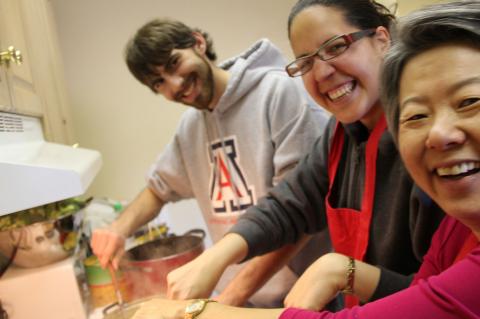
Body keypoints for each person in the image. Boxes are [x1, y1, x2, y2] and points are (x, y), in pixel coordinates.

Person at [130, 1, 480, 318]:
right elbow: (291, 204)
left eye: (336, 46)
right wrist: (215, 258)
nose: (439, 135)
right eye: (306, 62)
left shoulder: (430, 161)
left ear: (382, 40)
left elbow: (436, 302)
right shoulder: (341, 133)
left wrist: (195, 313)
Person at [90, 18, 330, 307]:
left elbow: (300, 212)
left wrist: (229, 300)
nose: (175, 84)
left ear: (198, 43)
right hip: (242, 301)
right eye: (159, 83)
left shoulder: (279, 92)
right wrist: (118, 229)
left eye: (173, 63)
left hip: (302, 297)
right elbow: (158, 188)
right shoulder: (191, 127)